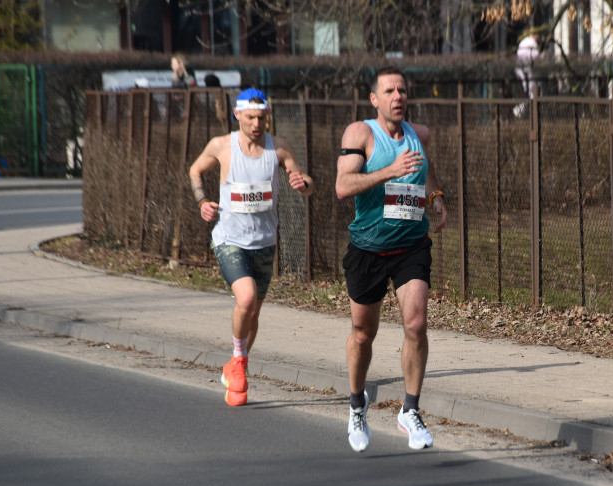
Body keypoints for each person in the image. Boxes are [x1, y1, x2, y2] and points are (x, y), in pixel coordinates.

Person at [335, 66, 448, 452]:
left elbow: (421, 173)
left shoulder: (420, 135)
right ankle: (356, 403)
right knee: (363, 334)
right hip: (368, 248)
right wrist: (388, 171)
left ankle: (410, 409)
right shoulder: (361, 134)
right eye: (389, 90)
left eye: (402, 89)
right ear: (374, 99)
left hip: (411, 246)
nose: (398, 96)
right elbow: (342, 186)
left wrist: (435, 199)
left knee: (416, 323)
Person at [188, 88, 314, 406]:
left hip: (264, 242)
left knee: (254, 312)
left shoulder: (279, 147)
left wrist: (304, 184)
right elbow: (195, 170)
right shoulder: (221, 145)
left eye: (262, 117)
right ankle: (237, 360)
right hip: (230, 240)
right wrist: (202, 200)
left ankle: (237, 365)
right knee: (245, 298)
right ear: (237, 115)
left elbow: (305, 183)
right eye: (251, 117)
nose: (257, 124)